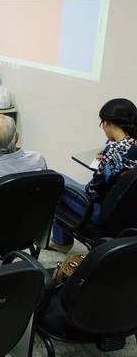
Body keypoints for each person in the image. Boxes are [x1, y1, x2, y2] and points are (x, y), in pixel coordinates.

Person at [49, 98, 137, 252]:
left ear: (107, 122)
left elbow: (92, 192)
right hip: (127, 213)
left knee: (55, 180)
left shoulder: (114, 151)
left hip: (102, 212)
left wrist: (106, 161)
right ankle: (60, 240)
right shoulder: (131, 145)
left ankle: (61, 242)